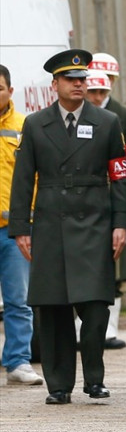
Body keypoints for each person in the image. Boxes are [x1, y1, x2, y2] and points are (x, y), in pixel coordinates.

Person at [8, 49, 126, 405]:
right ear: (55, 84)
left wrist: (120, 223)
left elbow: (120, 177)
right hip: (49, 223)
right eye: (71, 80)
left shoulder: (107, 122)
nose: (79, 85)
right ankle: (58, 384)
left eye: (83, 79)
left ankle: (94, 378)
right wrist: (21, 227)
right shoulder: (35, 124)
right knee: (53, 307)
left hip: (94, 222)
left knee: (95, 308)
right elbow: (22, 179)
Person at [88, 52, 126, 350]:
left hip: (115, 193)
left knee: (115, 265)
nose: (97, 96)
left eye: (104, 89)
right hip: (86, 196)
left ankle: (110, 328)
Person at [0, 64, 44, 386]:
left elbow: (37, 178)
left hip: (14, 231)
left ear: (10, 91)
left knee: (18, 299)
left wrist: (29, 221)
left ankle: (18, 361)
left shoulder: (25, 127)